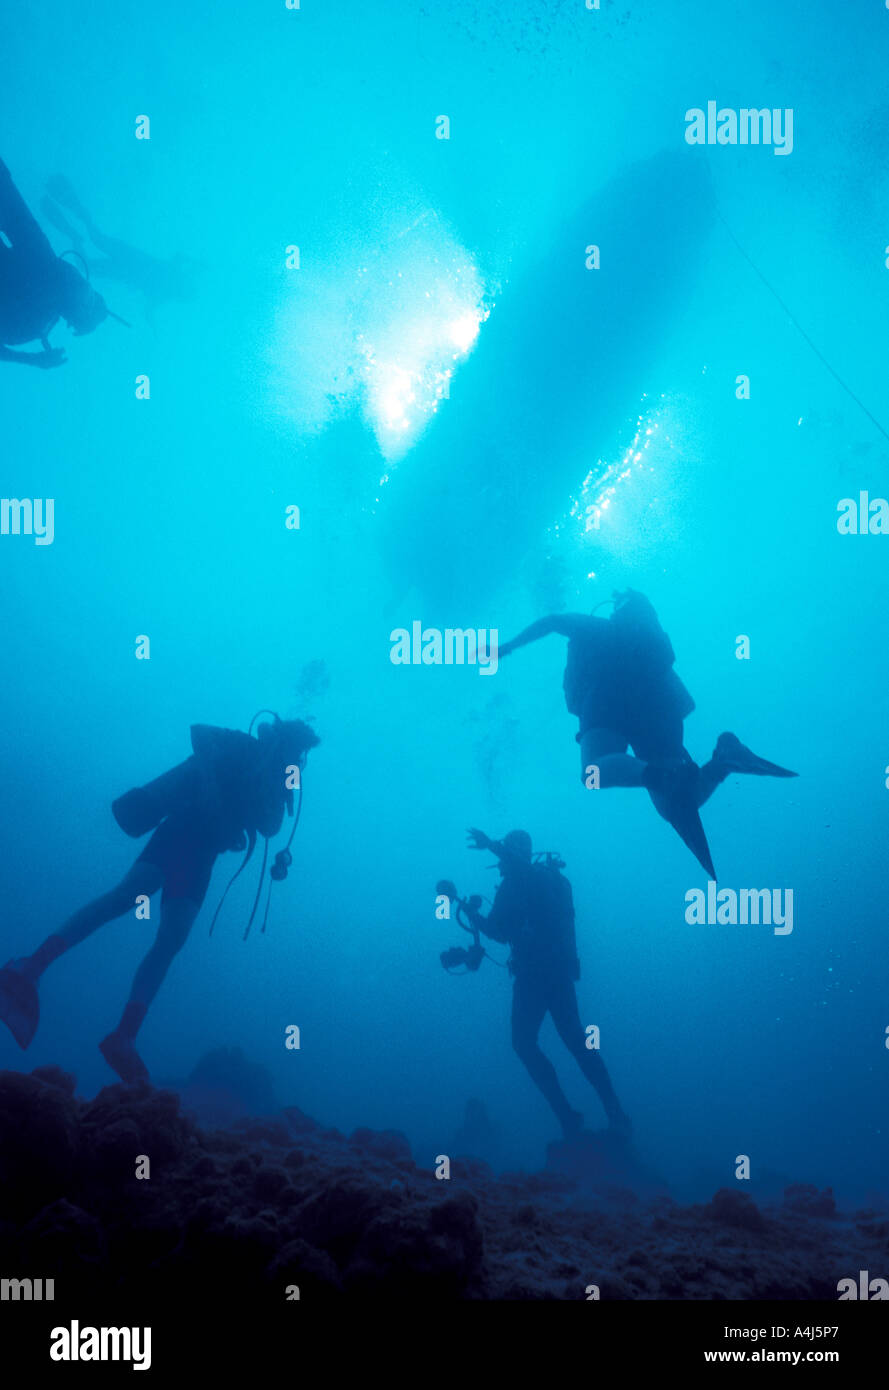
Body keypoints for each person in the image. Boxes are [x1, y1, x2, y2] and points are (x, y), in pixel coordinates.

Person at [0, 714, 319, 1083]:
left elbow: (270, 828)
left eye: (300, 755)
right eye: (295, 750)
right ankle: (30, 968)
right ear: (280, 738)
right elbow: (199, 731)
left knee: (172, 938)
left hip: (205, 854)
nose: (297, 759)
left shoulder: (281, 780)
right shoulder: (244, 745)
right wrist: (213, 785)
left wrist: (278, 813)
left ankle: (124, 1036)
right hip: (182, 830)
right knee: (127, 896)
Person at [497, 590, 797, 877]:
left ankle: (660, 776)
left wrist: (507, 646)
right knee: (676, 806)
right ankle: (723, 762)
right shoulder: (651, 653)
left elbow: (552, 621)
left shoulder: (597, 629)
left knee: (592, 773)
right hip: (661, 704)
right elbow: (686, 704)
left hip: (606, 698)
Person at [462, 827, 630, 1139]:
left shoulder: (535, 877)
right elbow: (499, 933)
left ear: (515, 854)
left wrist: (491, 846)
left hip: (543, 975)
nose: (501, 865)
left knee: (560, 1043)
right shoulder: (516, 884)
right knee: (548, 1043)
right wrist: (472, 914)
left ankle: (604, 1113)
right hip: (546, 974)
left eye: (506, 856)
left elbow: (522, 874)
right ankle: (575, 1116)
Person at [0, 156, 113, 368]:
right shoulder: (32, 323)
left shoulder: (30, 323)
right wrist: (30, 359)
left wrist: (30, 359)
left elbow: (12, 207)